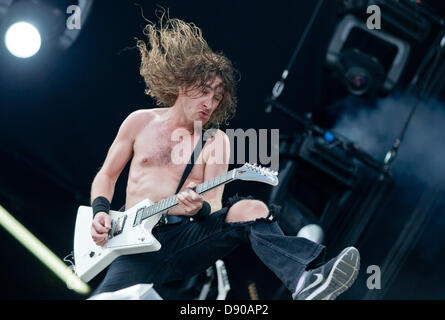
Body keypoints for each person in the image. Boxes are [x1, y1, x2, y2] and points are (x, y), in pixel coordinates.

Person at [89, 15, 360, 300]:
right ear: (182, 85)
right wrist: (99, 212)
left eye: (217, 98)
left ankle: (306, 279)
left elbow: (214, 202)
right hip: (134, 245)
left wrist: (197, 209)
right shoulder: (139, 122)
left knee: (251, 208)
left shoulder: (214, 141)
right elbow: (107, 175)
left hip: (183, 239)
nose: (210, 103)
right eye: (204, 92)